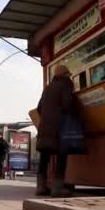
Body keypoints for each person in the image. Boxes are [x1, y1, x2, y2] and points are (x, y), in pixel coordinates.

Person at [36, 64, 76, 197]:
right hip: (59, 126)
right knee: (61, 154)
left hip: (44, 126)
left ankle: (41, 187)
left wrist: (47, 118)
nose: (69, 76)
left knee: (44, 156)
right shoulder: (66, 84)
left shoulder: (47, 87)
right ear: (65, 74)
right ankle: (57, 188)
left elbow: (39, 108)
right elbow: (68, 104)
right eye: (68, 74)